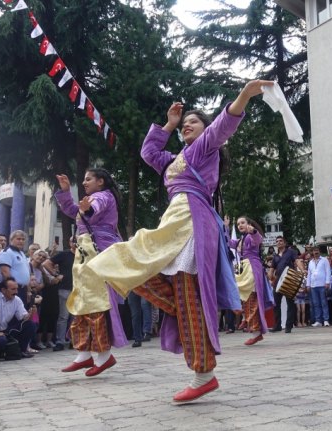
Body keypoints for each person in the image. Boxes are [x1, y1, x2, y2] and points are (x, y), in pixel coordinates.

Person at [69, 80, 273, 402]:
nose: (188, 125)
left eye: (194, 121)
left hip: (192, 223)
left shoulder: (206, 148)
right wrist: (169, 124)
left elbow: (224, 125)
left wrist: (245, 95)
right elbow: (148, 152)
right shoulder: (176, 158)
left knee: (184, 293)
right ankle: (196, 353)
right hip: (173, 224)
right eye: (186, 123)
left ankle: (203, 374)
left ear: (205, 129)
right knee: (126, 267)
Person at [54, 168, 129, 376]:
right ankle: (85, 353)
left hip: (97, 254)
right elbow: (73, 210)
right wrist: (66, 191)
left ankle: (103, 355)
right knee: (83, 302)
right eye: (84, 179)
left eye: (89, 179)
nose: (85, 182)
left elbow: (92, 209)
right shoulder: (92, 198)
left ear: (101, 182)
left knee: (96, 303)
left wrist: (87, 209)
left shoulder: (102, 197)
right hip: (86, 253)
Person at [225, 215, 274, 345]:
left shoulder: (251, 236)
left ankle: (256, 332)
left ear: (248, 223)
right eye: (238, 224)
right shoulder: (241, 239)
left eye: (242, 223)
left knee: (252, 299)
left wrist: (253, 231)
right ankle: (245, 317)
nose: (240, 225)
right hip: (245, 269)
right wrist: (225, 227)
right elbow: (229, 242)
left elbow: (258, 239)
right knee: (244, 297)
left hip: (252, 268)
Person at [0, 278, 38, 360]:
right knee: (0, 340)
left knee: (30, 325)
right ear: (3, 290)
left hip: (4, 331)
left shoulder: (17, 299)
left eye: (17, 289)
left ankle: (21, 351)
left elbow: (23, 318)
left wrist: (31, 314)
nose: (16, 292)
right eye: (13, 289)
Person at [42, 239, 75, 351]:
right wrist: (56, 274)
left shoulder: (83, 255)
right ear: (70, 243)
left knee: (75, 317)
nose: (76, 243)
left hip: (78, 290)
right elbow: (46, 263)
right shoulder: (64, 254)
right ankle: (60, 341)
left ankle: (73, 341)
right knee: (63, 317)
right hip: (65, 288)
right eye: (73, 241)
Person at [0, 230, 31, 308]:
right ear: (11, 240)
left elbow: (26, 273)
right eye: (18, 239)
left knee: (21, 315)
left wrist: (28, 290)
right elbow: (5, 272)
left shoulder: (22, 253)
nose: (21, 241)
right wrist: (12, 289)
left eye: (23, 239)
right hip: (13, 289)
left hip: (23, 289)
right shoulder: (6, 252)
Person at [272, 236, 299, 333]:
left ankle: (288, 326)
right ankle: (277, 326)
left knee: (290, 304)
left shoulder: (291, 252)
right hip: (278, 281)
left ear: (284, 243)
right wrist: (270, 277)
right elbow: (272, 269)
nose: (279, 242)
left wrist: (303, 269)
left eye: (280, 241)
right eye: (277, 241)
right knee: (276, 304)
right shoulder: (275, 256)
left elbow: (297, 261)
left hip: (289, 280)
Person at [306, 247, 332, 327]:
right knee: (316, 303)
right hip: (313, 285)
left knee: (324, 302)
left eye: (317, 251)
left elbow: (328, 271)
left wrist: (327, 282)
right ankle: (318, 320)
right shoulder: (310, 262)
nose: (316, 252)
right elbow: (309, 274)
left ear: (319, 252)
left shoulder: (324, 260)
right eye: (314, 251)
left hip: (322, 284)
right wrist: (308, 284)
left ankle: (326, 320)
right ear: (312, 253)